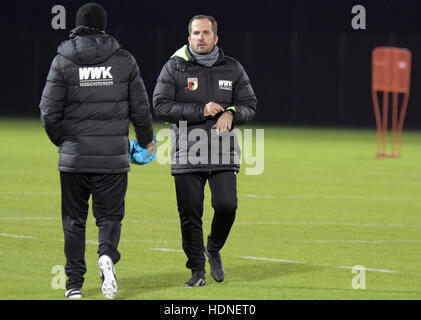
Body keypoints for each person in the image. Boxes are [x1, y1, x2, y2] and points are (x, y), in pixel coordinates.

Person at [39, 3, 155, 299]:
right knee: (109, 217)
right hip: (112, 158)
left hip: (74, 158)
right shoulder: (124, 60)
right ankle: (106, 256)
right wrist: (145, 141)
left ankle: (74, 285)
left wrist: (64, 142)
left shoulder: (62, 60)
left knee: (74, 221)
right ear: (104, 27)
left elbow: (48, 112)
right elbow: (140, 109)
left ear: (77, 26)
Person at [153, 15, 257, 286]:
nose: (200, 37)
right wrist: (200, 110)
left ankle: (213, 247)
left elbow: (249, 103)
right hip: (187, 152)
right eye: (196, 33)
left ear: (215, 38)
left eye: (206, 33)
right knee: (190, 214)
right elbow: (161, 105)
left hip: (223, 151)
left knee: (227, 206)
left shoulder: (233, 68)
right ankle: (197, 270)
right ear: (189, 38)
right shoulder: (174, 67)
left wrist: (232, 113)